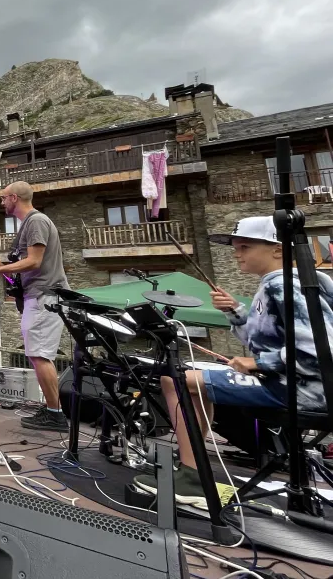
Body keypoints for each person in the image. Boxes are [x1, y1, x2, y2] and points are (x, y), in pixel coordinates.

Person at [134, 216, 333, 505]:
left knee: (176, 381)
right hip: (295, 383)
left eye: (245, 247)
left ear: (278, 249)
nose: (237, 254)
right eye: (236, 248)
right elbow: (265, 340)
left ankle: (191, 475)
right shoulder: (276, 284)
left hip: (303, 390)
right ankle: (193, 462)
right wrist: (236, 312)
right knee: (188, 381)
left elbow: (321, 350)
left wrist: (259, 364)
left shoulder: (283, 285)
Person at [0, 181, 69, 431]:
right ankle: (53, 410)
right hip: (37, 294)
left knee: (40, 355)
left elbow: (34, 261)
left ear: (13, 198)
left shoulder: (36, 221)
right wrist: (0, 270)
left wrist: (0, 268)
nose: (1, 203)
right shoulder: (29, 224)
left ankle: (55, 414)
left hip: (45, 296)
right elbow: (24, 271)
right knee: (37, 354)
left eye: (3, 198)